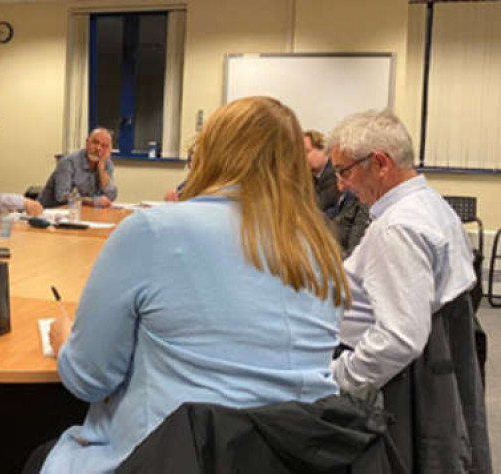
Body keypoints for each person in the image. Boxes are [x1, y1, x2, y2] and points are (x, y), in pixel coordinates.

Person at [34, 97, 349, 473]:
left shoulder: (154, 230)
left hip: (171, 458)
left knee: (38, 452)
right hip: (288, 460)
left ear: (208, 153)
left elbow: (89, 380)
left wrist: (66, 341)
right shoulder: (321, 249)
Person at [327, 109, 476, 393]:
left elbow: (398, 339)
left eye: (344, 171)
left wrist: (335, 379)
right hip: (420, 368)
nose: (341, 185)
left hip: (389, 383)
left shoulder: (397, 228)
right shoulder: (430, 203)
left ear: (381, 163)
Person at [38, 128, 118, 208]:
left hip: (81, 212)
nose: (98, 148)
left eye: (104, 146)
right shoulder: (68, 162)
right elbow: (61, 196)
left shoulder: (106, 163)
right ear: (87, 142)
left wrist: (101, 168)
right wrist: (93, 201)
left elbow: (111, 196)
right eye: (95, 142)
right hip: (51, 211)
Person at [305, 129, 338, 213]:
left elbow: (319, 206)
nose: (302, 157)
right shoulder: (309, 178)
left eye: (306, 151)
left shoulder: (337, 174)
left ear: (323, 149)